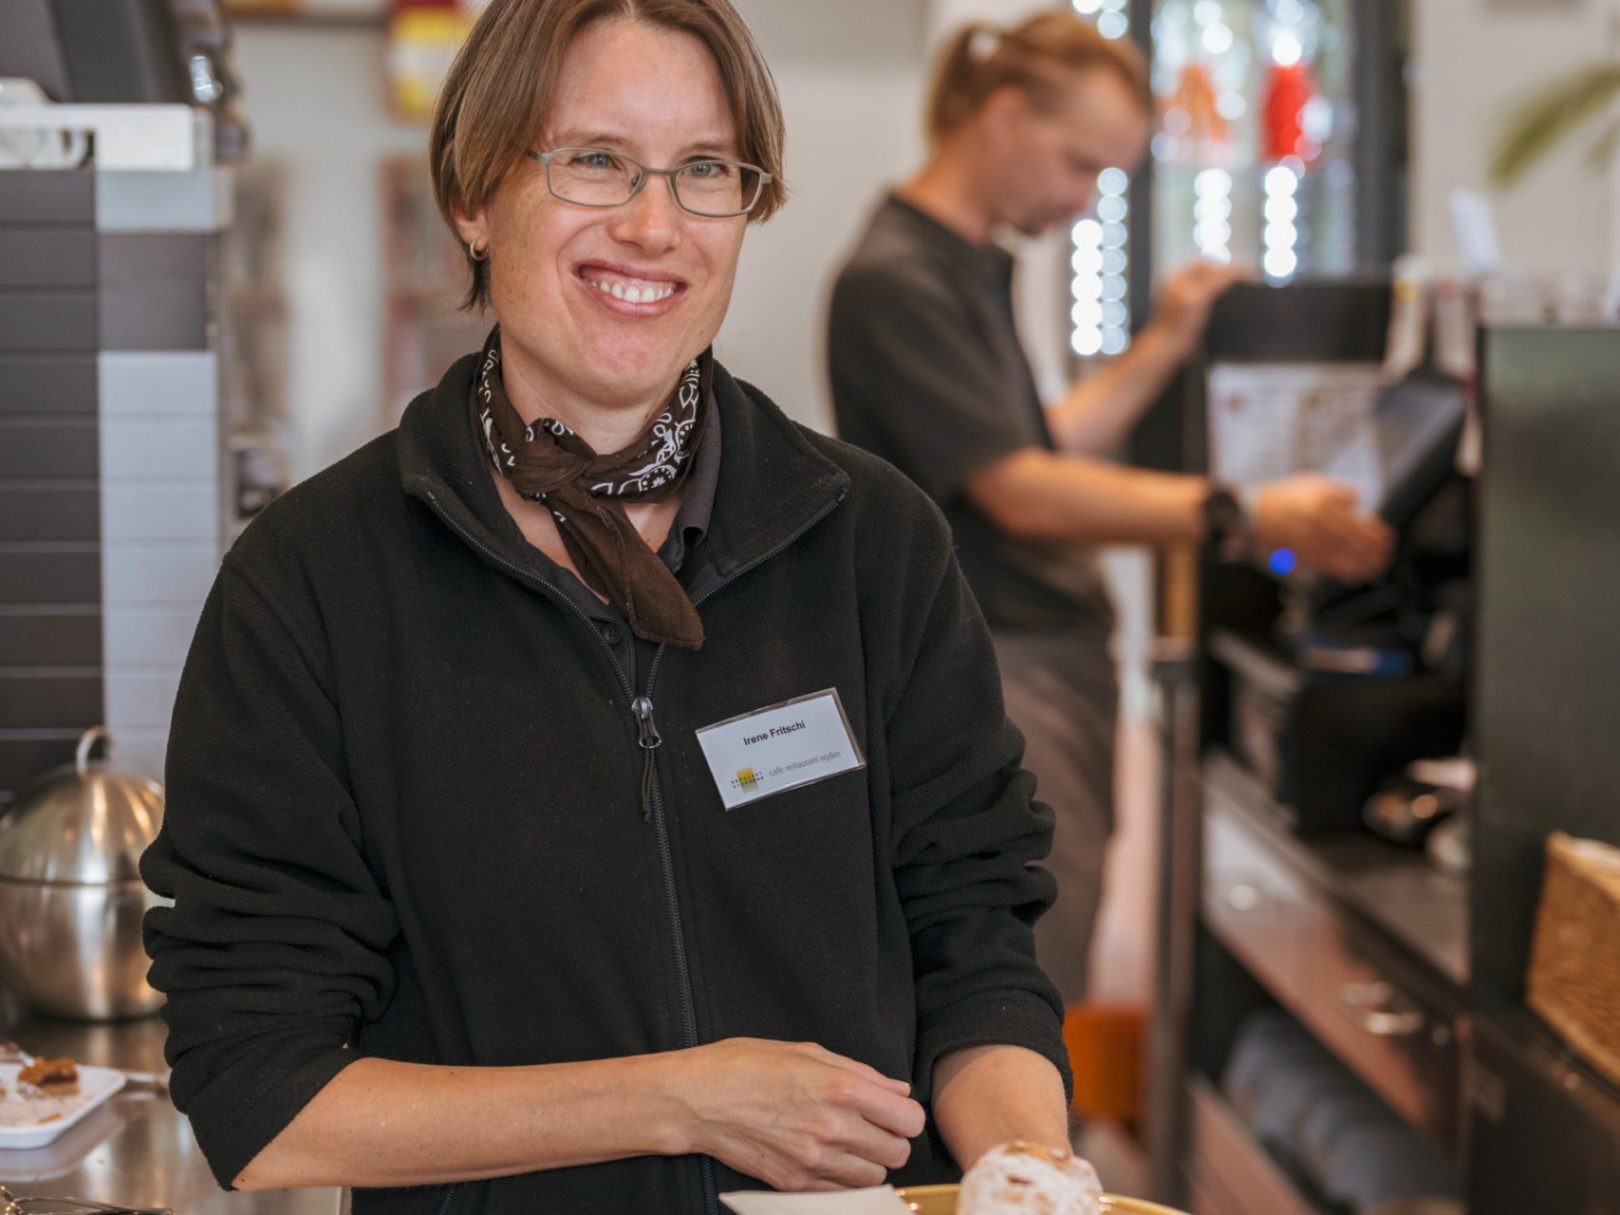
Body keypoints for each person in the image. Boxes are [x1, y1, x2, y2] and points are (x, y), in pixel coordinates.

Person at [140, 3, 1078, 1213]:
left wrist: (1027, 1167)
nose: (653, 225)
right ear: (474, 196)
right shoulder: (316, 582)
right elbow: (263, 1100)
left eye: (703, 171)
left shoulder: (871, 541)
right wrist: (681, 1097)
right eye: (594, 160)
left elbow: (978, 946)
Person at [827, 12, 1392, 1009]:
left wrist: (1168, 338)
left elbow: (1037, 443)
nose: (1086, 202)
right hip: (1001, 662)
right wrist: (1244, 510)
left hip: (1040, 661)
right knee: (1021, 977)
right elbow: (1025, 493)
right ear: (1003, 117)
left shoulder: (960, 263)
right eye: (1081, 166)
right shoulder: (900, 281)